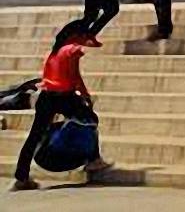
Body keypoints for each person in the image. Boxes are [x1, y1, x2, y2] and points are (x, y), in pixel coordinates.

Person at [12, 19, 111, 191]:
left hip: (46, 96)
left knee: (34, 136)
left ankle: (21, 177)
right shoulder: (72, 50)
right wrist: (85, 96)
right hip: (64, 95)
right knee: (91, 119)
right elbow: (74, 76)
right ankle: (94, 160)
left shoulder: (54, 51)